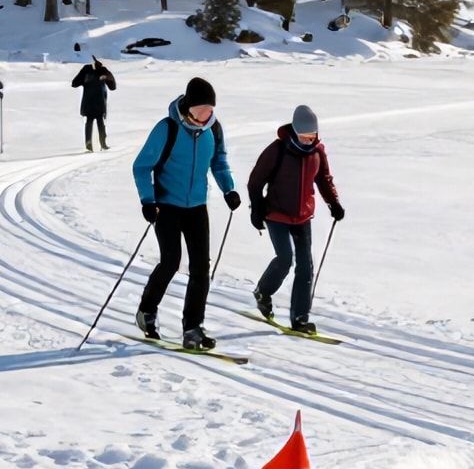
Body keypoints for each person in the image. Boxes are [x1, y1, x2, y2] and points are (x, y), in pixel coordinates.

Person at [131, 77, 240, 350]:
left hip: (197, 207)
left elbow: (219, 160)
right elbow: (142, 166)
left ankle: (193, 328)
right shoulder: (167, 128)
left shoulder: (213, 131)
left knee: (201, 267)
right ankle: (146, 310)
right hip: (167, 206)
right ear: (188, 107)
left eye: (210, 110)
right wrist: (148, 199)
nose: (206, 115)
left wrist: (228, 189)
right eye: (201, 109)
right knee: (170, 261)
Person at [246, 105, 344, 335]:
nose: (309, 141)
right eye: (304, 137)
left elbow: (324, 179)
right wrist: (256, 209)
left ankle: (300, 318)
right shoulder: (277, 150)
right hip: (277, 214)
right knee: (285, 258)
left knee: (305, 266)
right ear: (295, 132)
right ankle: (264, 291)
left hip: (302, 216)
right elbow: (255, 181)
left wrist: (334, 203)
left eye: (312, 136)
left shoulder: (318, 153)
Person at [71, 57, 117, 152]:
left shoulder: (94, 70)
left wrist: (106, 76)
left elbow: (75, 83)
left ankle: (93, 144)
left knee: (92, 122)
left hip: (91, 102)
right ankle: (100, 144)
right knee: (98, 123)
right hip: (97, 102)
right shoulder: (95, 70)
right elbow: (113, 86)